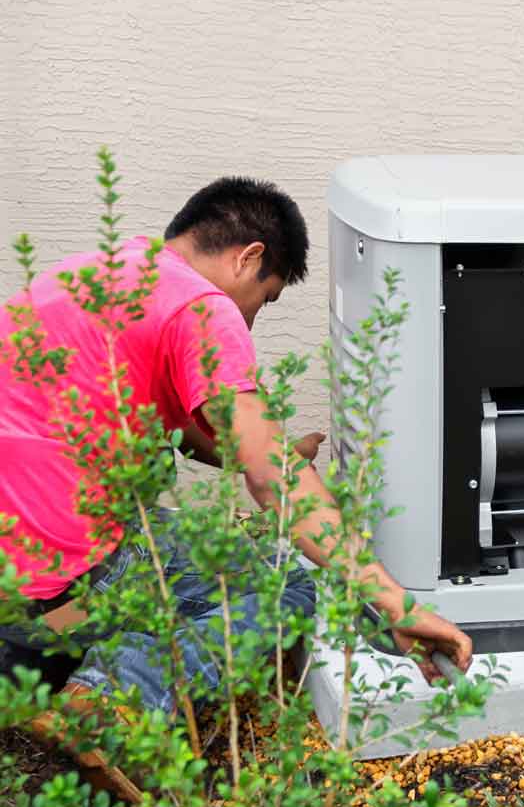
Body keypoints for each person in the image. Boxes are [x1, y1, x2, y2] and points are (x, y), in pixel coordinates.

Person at [0, 177, 473, 711]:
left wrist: (278, 450)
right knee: (286, 588)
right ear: (249, 257)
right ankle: (110, 702)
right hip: (60, 564)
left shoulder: (98, 272)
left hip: (14, 556)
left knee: (163, 501)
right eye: (264, 299)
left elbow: (201, 434)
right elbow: (271, 478)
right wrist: (394, 602)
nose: (250, 318)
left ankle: (37, 653)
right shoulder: (201, 306)